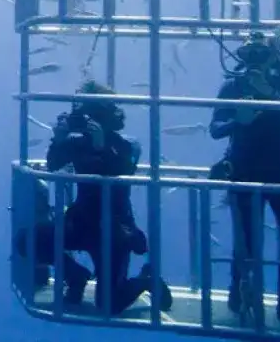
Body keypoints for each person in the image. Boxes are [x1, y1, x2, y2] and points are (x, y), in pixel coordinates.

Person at [13, 80, 173, 315]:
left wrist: (100, 147)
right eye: (85, 113)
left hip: (114, 230)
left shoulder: (127, 145)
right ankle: (75, 276)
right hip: (80, 221)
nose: (90, 120)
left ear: (109, 115)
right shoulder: (77, 143)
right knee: (25, 240)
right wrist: (58, 140)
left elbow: (122, 173)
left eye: (96, 113)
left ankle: (146, 280)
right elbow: (54, 164)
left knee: (109, 304)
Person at [208, 32, 280, 328]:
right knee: (245, 243)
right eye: (250, 54)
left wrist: (272, 96)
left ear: (274, 57)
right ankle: (240, 291)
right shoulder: (231, 87)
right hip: (244, 172)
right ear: (241, 57)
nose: (255, 60)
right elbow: (216, 128)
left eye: (262, 53)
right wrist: (238, 121)